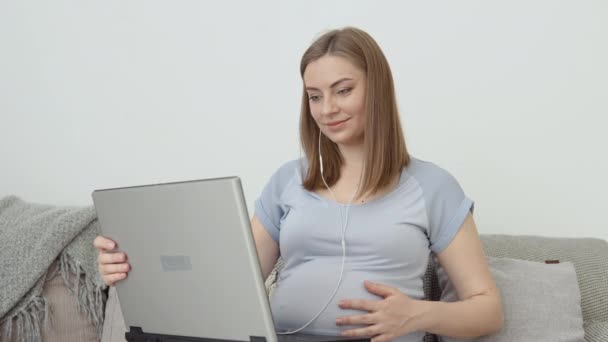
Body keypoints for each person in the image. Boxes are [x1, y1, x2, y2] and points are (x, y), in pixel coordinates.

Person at [95, 27, 504, 342]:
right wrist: (134, 268)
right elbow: (227, 283)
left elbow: (488, 310)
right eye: (314, 96)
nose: (327, 109)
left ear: (377, 89)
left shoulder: (432, 186)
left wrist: (418, 314)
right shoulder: (288, 181)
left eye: (343, 90)